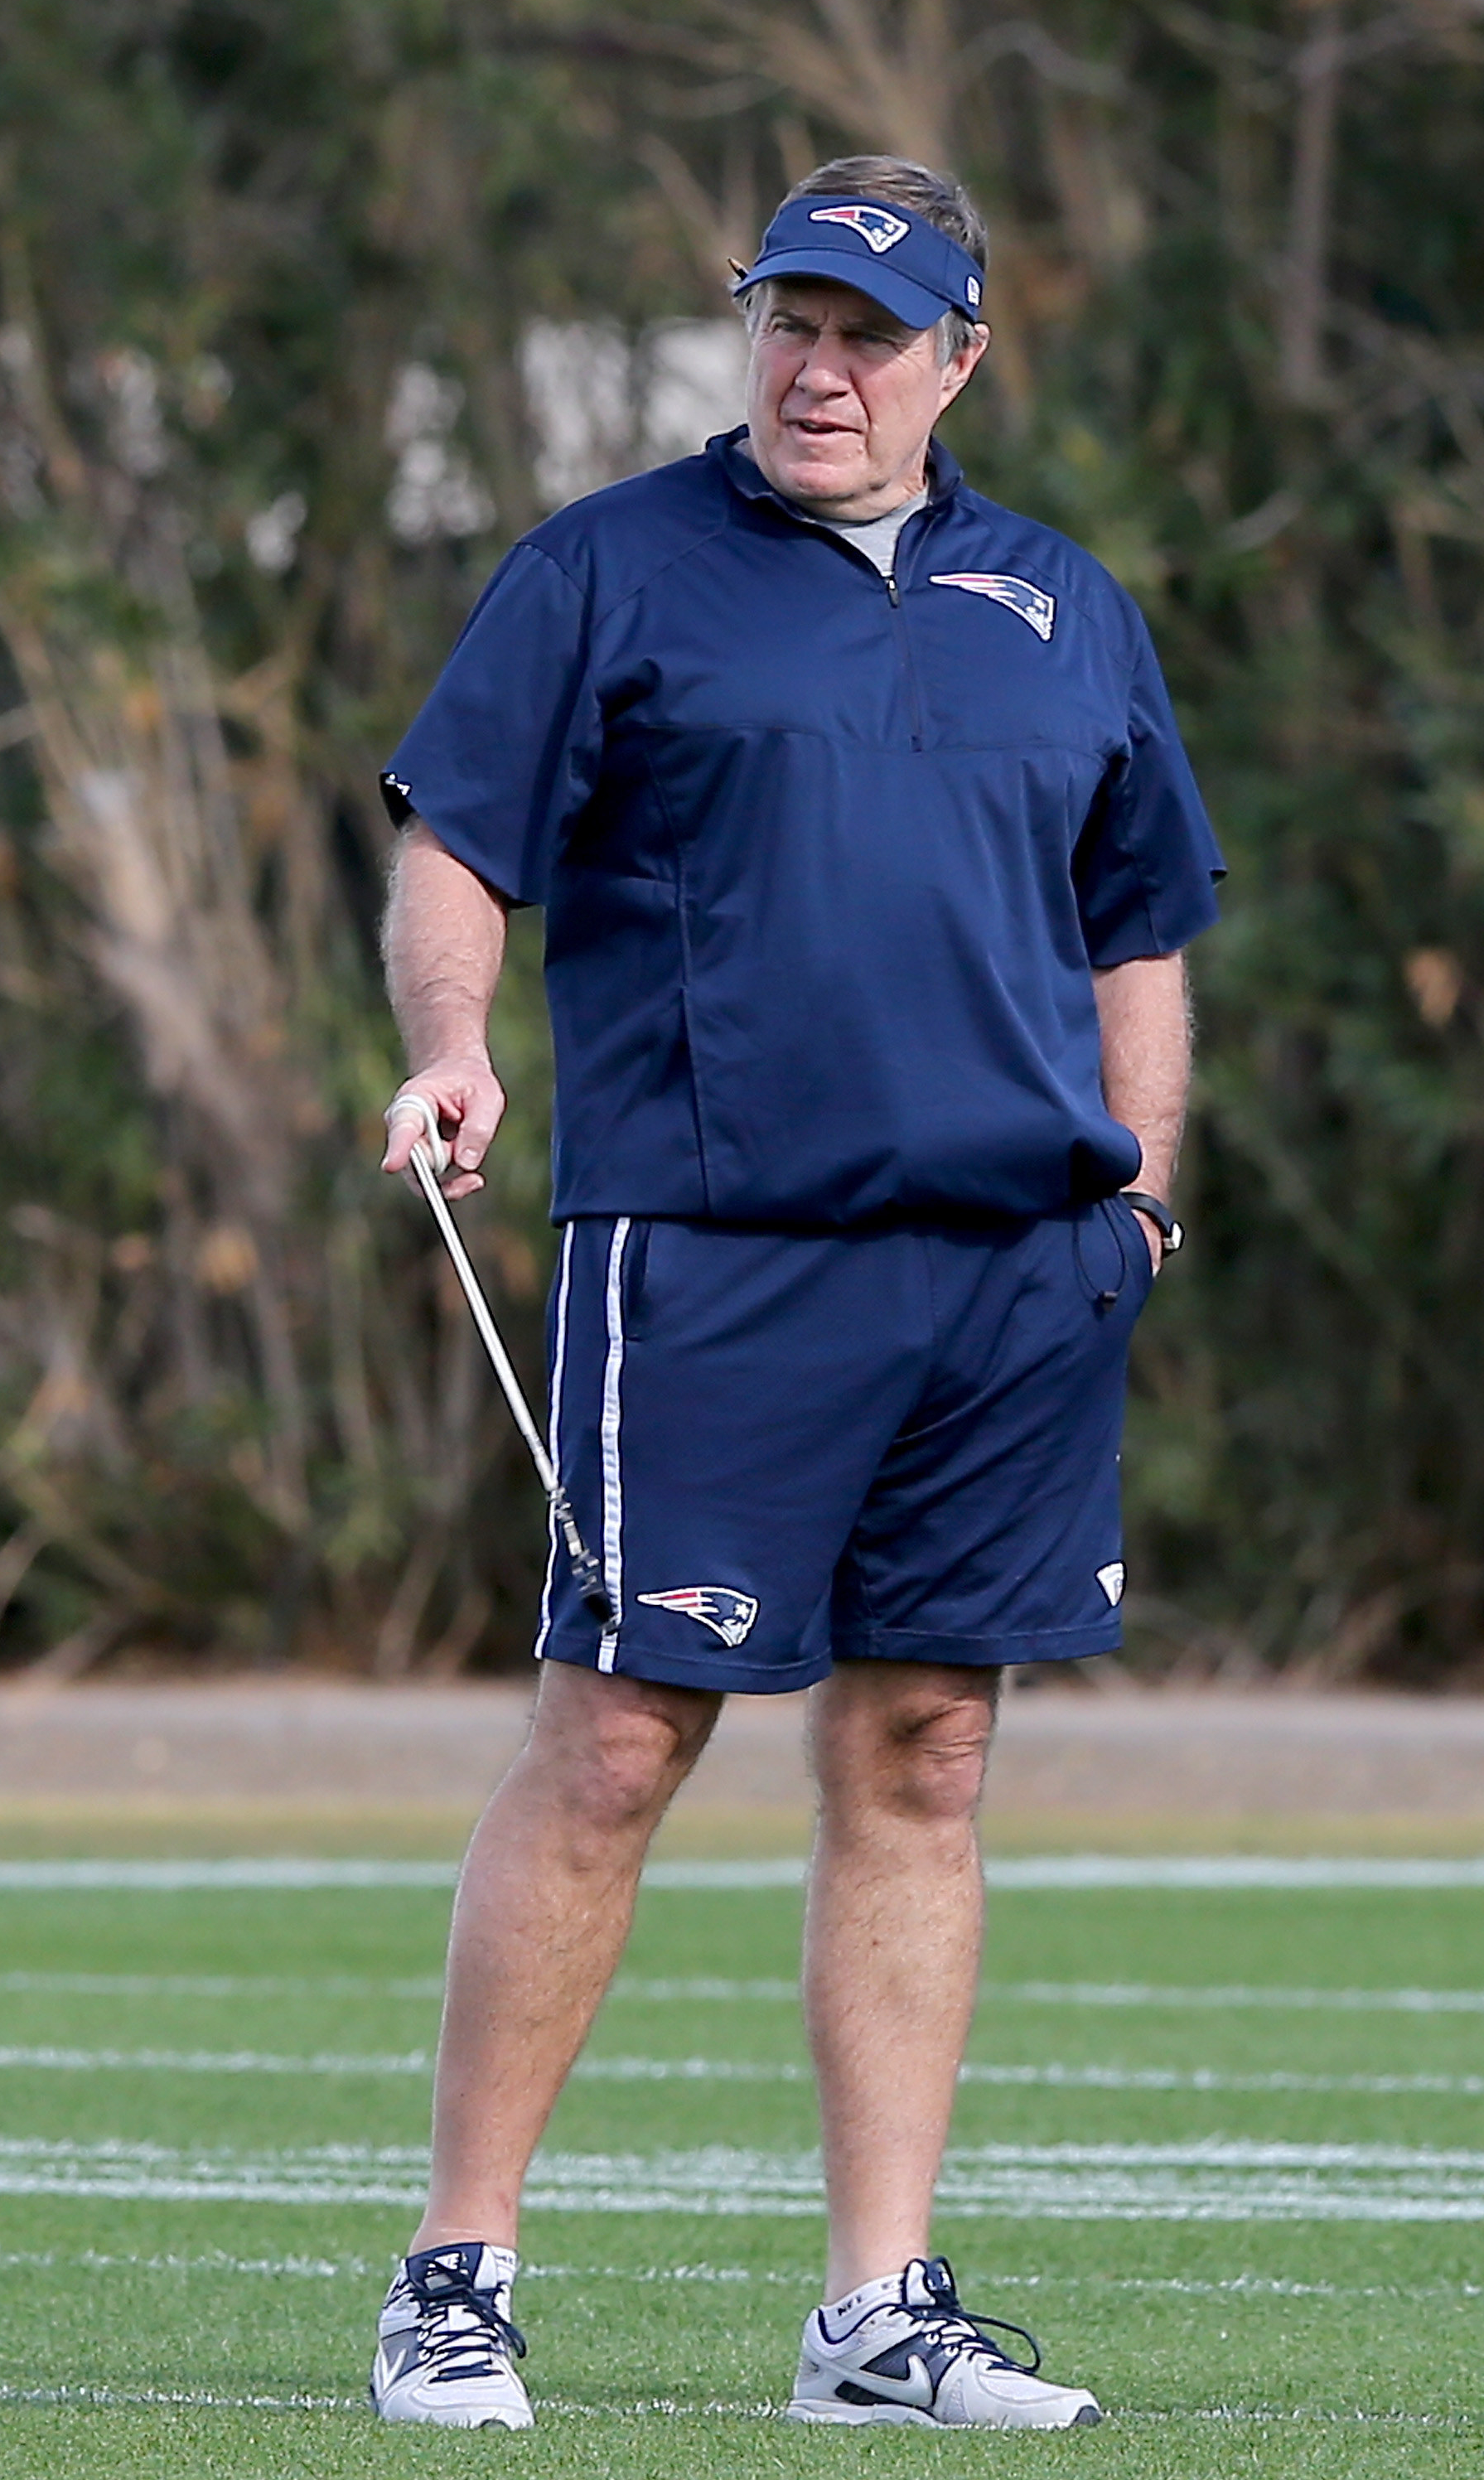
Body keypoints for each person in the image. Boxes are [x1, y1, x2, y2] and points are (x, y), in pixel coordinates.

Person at [370, 153, 1221, 2432]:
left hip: (1014, 1279)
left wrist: (1142, 1191)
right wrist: (454, 1047)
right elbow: (457, 839)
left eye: (867, 334)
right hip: (714, 1253)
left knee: (930, 1751)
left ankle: (880, 2316)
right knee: (623, 1735)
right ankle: (456, 2275)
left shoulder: (1064, 603)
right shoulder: (611, 570)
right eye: (789, 321)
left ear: (958, 361)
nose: (816, 368)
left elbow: (1141, 910)